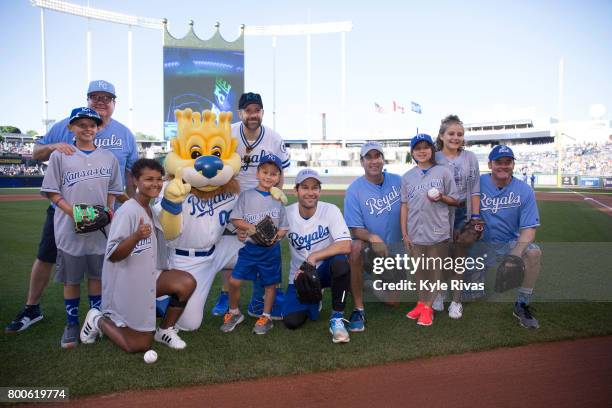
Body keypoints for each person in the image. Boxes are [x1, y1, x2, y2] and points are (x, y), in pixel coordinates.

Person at [5, 80, 138, 333]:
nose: (100, 101)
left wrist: (132, 207)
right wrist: (53, 146)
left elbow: (129, 176)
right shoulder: (66, 125)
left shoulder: (124, 135)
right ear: (87, 100)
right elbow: (36, 153)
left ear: (114, 103)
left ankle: (106, 313)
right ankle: (32, 308)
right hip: (64, 212)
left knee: (110, 264)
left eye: (106, 98)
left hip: (108, 213)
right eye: (95, 97)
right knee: (46, 256)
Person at [79, 159, 196, 352]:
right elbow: (114, 254)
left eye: (159, 179)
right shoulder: (127, 211)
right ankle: (97, 320)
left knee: (186, 282)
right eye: (148, 179)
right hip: (127, 286)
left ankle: (164, 330)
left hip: (148, 277)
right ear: (135, 181)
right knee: (139, 344)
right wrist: (136, 236)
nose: (155, 184)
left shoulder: (149, 208)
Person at [39, 107, 123, 348]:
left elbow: (113, 191)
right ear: (71, 128)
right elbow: (52, 192)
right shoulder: (60, 156)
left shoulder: (108, 157)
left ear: (99, 128)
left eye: (92, 125)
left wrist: (107, 211)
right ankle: (72, 323)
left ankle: (94, 321)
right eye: (82, 124)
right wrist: (75, 213)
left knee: (96, 276)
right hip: (68, 228)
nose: (88, 128)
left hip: (99, 229)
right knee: (72, 280)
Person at [211, 92, 290, 320]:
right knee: (227, 246)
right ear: (240, 113)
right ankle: (226, 295)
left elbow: (281, 170)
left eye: (257, 110)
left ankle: (260, 298)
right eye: (248, 111)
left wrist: (276, 194)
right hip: (230, 197)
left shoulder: (274, 138)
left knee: (264, 244)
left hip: (261, 199)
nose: (253, 115)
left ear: (262, 113)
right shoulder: (227, 133)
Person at [220, 154, 289, 335]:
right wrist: (253, 228)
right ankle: (234, 312)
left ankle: (266, 316)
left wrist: (276, 237)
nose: (268, 176)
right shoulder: (246, 196)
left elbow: (283, 228)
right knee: (234, 281)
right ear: (257, 174)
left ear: (278, 178)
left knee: (270, 285)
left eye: (273, 174)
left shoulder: (278, 200)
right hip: (249, 249)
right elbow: (235, 218)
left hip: (270, 251)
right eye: (265, 172)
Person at [282, 169, 352, 343]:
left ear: (320, 191)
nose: (310, 192)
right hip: (300, 276)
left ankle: (337, 318)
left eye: (315, 188)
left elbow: (345, 244)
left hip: (324, 270)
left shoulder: (330, 210)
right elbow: (269, 240)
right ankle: (315, 298)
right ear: (295, 190)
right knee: (292, 321)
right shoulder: (286, 214)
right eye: (305, 187)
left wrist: (314, 257)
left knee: (340, 264)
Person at [480, 145, 542, 329]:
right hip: (479, 244)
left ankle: (522, 303)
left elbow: (529, 229)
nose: (503, 166)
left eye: (508, 162)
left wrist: (515, 254)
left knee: (533, 253)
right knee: (471, 295)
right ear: (490, 164)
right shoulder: (477, 183)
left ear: (513, 164)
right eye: (498, 162)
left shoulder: (524, 190)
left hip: (508, 242)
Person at [343, 141, 402, 332]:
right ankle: (359, 307)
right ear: (362, 161)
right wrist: (374, 238)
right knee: (355, 247)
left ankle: (368, 283)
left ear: (383, 159)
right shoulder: (354, 190)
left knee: (393, 301)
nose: (374, 161)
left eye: (377, 156)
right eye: (369, 157)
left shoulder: (398, 181)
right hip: (371, 248)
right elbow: (354, 229)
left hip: (394, 251)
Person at [401, 134, 459, 327]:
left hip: (437, 230)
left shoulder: (443, 172)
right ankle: (421, 302)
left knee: (434, 270)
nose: (422, 151)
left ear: (432, 150)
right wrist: (404, 233)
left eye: (426, 147)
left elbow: (455, 200)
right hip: (415, 232)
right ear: (412, 153)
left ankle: (428, 308)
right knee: (419, 270)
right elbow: (404, 206)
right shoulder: (407, 176)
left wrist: (441, 197)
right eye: (417, 148)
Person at [433, 114, 481, 319]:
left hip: (463, 211)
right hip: (440, 212)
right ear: (442, 136)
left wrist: (476, 216)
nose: (456, 137)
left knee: (459, 258)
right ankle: (440, 292)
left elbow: (475, 189)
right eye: (451, 133)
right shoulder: (434, 157)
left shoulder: (470, 157)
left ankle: (456, 301)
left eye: (459, 134)